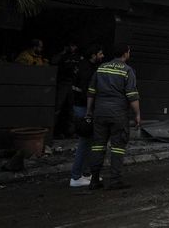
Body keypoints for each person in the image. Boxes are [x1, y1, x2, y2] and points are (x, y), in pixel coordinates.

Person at [87, 43, 140, 190]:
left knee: (98, 145)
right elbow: (132, 96)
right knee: (118, 147)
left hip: (100, 113)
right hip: (118, 114)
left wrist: (89, 111)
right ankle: (115, 180)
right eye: (129, 51)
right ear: (125, 53)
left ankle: (94, 179)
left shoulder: (101, 68)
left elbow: (91, 91)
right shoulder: (127, 71)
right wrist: (138, 114)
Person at [69, 44, 103, 187]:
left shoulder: (84, 66)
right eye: (100, 53)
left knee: (88, 142)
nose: (102, 56)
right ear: (93, 55)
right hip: (84, 108)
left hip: (81, 107)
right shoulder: (87, 70)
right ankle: (76, 177)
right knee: (85, 143)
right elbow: (87, 93)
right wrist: (90, 110)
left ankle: (84, 174)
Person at [51, 41, 82, 138]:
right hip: (62, 83)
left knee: (71, 109)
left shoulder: (77, 57)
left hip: (72, 84)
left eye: (74, 46)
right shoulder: (62, 56)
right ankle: (54, 132)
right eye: (71, 46)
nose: (73, 48)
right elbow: (53, 61)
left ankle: (70, 132)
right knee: (58, 108)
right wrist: (63, 52)